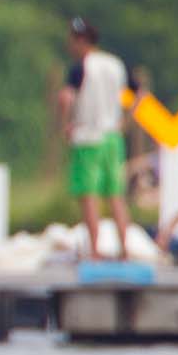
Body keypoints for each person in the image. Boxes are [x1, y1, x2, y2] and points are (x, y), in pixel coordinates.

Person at [59, 17, 136, 261]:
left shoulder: (81, 67)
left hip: (88, 136)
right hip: (113, 136)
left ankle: (95, 249)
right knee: (116, 195)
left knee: (89, 195)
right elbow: (138, 93)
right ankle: (125, 247)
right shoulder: (115, 64)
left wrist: (65, 124)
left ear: (80, 41)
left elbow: (67, 98)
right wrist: (126, 120)